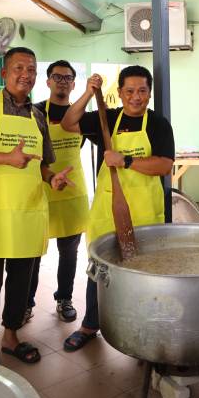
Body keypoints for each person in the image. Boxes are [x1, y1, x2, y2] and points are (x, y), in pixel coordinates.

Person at [0, 47, 74, 364]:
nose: (26, 74)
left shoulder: (37, 116)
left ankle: (11, 336)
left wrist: (52, 178)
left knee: (21, 278)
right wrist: (5, 159)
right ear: (4, 73)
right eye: (19, 68)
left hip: (27, 208)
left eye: (32, 69)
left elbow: (40, 165)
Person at [59, 65, 175, 351]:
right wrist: (89, 92)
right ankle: (90, 325)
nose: (136, 97)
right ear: (120, 93)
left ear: (149, 93)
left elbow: (164, 165)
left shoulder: (158, 124)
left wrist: (126, 161)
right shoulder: (107, 119)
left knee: (144, 271)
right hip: (107, 209)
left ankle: (143, 328)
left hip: (145, 211)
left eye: (142, 91)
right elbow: (68, 123)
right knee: (99, 267)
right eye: (130, 91)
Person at [25, 61, 90, 323]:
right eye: (57, 77)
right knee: (32, 252)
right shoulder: (34, 112)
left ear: (74, 84)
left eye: (67, 78)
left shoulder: (81, 115)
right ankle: (26, 303)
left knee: (69, 251)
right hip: (39, 190)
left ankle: (64, 299)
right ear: (48, 81)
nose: (62, 81)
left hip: (72, 192)